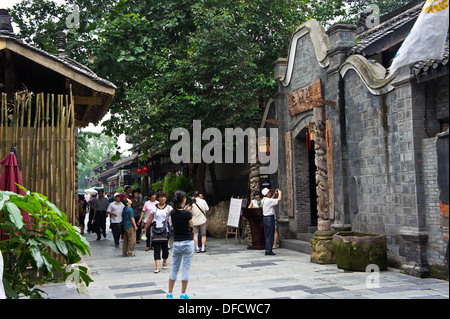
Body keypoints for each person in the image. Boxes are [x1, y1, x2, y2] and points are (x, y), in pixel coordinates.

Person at [166, 190, 195, 299]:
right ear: (184, 200)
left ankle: (169, 293)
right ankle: (183, 294)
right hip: (187, 242)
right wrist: (188, 212)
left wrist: (185, 210)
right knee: (186, 268)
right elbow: (191, 225)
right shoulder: (187, 213)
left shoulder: (172, 213)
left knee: (174, 268)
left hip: (177, 243)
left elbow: (176, 221)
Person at [142, 190, 172, 273]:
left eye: (164, 197)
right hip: (155, 230)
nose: (163, 199)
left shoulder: (169, 208)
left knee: (165, 248)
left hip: (165, 231)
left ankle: (165, 262)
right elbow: (150, 218)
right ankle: (157, 266)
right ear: (158, 198)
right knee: (157, 249)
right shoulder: (154, 207)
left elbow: (173, 218)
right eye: (161, 197)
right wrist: (145, 228)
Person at [260, 187, 281, 256]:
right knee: (270, 234)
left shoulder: (263, 200)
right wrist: (280, 193)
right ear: (267, 194)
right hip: (269, 218)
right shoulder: (268, 201)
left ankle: (268, 249)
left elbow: (271, 200)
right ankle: (269, 250)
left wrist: (274, 194)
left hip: (265, 218)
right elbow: (279, 200)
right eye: (269, 192)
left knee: (267, 234)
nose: (270, 193)